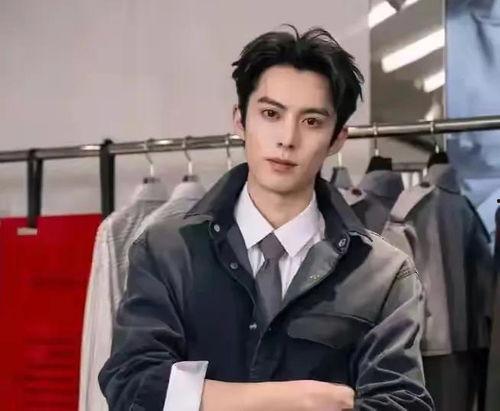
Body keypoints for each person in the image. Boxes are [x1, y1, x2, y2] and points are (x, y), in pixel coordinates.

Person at [99, 25, 433, 410]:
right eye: (271, 114)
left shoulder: (383, 274)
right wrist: (295, 400)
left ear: (338, 138)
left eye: (311, 121)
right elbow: (131, 384)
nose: (287, 139)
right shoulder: (166, 251)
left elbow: (402, 403)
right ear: (240, 121)